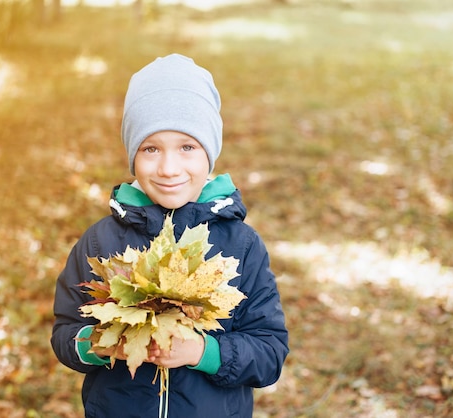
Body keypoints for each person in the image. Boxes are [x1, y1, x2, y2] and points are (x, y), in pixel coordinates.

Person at [51, 53, 289, 418]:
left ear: (210, 153)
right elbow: (66, 331)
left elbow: (269, 351)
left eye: (187, 147)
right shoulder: (101, 244)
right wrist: (99, 343)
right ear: (133, 154)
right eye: (151, 149)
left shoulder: (241, 246)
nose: (168, 168)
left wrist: (202, 353)